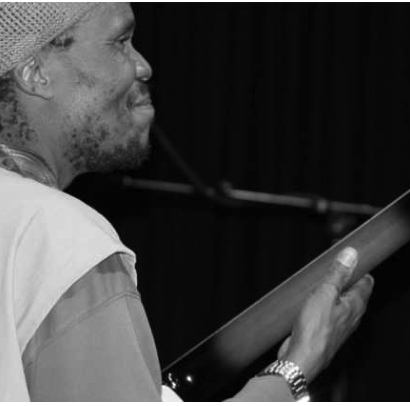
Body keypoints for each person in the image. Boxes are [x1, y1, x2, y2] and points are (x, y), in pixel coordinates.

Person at [0, 3, 374, 402]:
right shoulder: (59, 236)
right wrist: (295, 369)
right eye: (120, 42)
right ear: (35, 72)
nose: (143, 66)